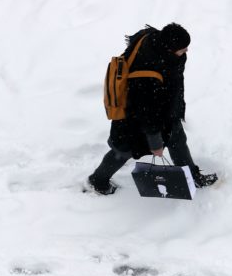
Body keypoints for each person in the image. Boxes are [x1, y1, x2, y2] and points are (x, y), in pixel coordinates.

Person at [87, 22, 218, 195]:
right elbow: (148, 115)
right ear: (169, 49)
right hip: (133, 115)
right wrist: (156, 144)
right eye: (183, 49)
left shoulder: (153, 38)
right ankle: (98, 181)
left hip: (162, 110)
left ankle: (191, 176)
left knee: (177, 139)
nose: (186, 52)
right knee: (123, 149)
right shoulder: (147, 76)